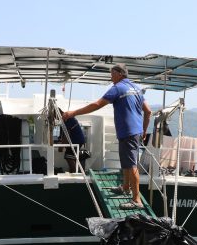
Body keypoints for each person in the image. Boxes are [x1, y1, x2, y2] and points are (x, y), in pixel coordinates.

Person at [63, 63, 151, 210]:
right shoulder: (136, 88)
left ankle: (136, 200)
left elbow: (97, 104)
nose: (111, 78)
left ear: (119, 74)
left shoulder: (118, 88)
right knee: (127, 163)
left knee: (131, 165)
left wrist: (72, 113)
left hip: (128, 132)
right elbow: (148, 111)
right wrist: (143, 130)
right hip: (134, 132)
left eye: (112, 74)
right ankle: (125, 187)